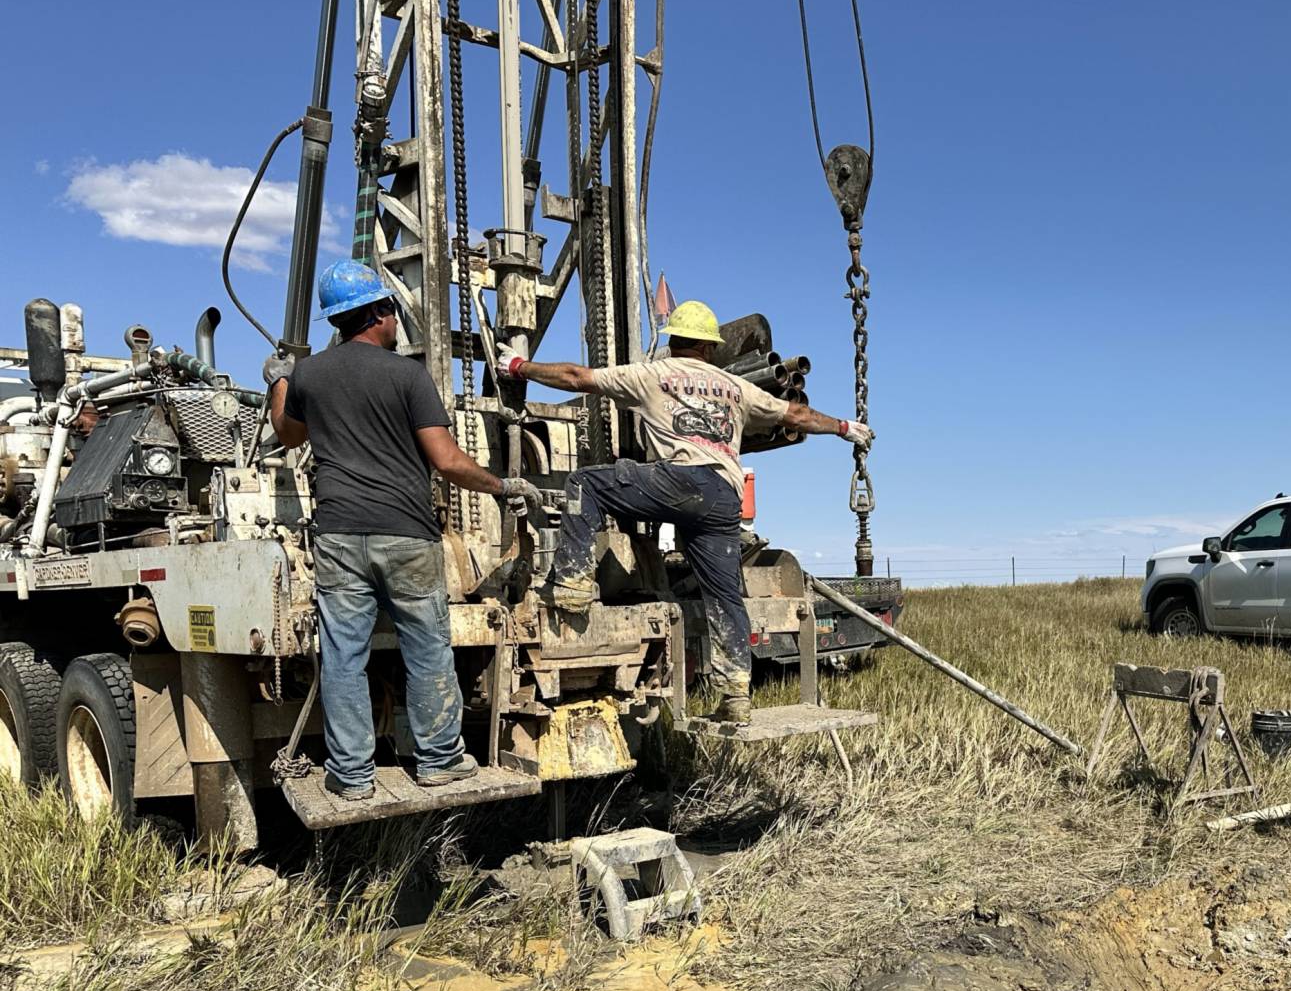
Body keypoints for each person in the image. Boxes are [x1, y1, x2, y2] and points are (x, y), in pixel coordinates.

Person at [506, 299, 873, 723]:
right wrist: (846, 428)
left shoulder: (653, 373)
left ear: (674, 341)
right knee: (724, 595)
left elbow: (576, 377)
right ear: (710, 348)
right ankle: (736, 694)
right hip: (722, 497)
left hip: (678, 481)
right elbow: (797, 413)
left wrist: (519, 367)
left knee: (585, 484)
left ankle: (570, 585)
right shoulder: (737, 388)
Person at [265, 259, 544, 800]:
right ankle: (438, 760)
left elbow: (288, 433)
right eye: (391, 311)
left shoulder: (311, 376)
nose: (396, 322)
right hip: (407, 536)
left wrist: (279, 379)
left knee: (344, 656)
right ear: (377, 313)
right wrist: (503, 487)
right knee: (428, 648)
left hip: (340, 536)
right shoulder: (408, 375)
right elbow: (446, 461)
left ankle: (350, 776)